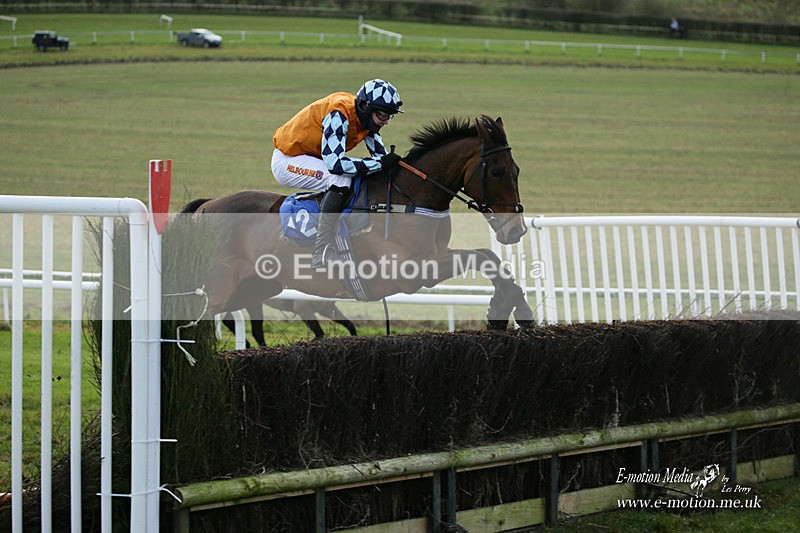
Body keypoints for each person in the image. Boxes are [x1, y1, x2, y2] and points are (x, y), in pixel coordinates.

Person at [272, 79, 404, 268]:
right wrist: (379, 164)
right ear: (365, 107)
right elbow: (336, 164)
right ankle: (321, 251)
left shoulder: (366, 121)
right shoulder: (339, 113)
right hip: (288, 160)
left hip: (309, 157)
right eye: (382, 115)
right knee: (340, 178)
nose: (386, 122)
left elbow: (381, 159)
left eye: (389, 116)